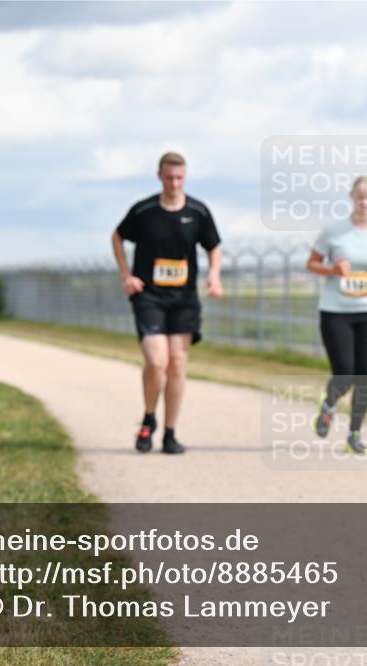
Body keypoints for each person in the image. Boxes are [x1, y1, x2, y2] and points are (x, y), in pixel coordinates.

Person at [111, 152, 222, 454]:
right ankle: (149, 418)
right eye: (169, 177)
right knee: (157, 360)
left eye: (180, 178)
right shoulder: (144, 210)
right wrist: (126, 275)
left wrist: (214, 276)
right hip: (149, 295)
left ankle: (170, 432)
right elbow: (118, 237)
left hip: (184, 299)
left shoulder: (198, 211)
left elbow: (214, 246)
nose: (174, 183)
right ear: (159, 176)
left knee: (177, 363)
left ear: (185, 177)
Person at [306, 175, 367, 455]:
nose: (364, 202)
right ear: (351, 197)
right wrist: (332, 270)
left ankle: (354, 433)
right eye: (359, 196)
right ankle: (329, 406)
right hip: (335, 312)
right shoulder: (334, 232)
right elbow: (312, 263)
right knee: (345, 373)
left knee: (366, 375)